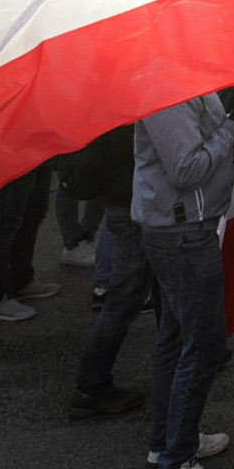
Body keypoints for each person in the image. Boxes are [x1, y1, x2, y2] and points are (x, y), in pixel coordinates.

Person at [134, 88, 234, 469]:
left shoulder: (185, 83)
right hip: (182, 233)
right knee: (203, 345)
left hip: (186, 228)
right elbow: (186, 169)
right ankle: (176, 454)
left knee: (177, 338)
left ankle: (171, 441)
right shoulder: (167, 93)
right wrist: (233, 123)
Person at [68, 120, 147, 420]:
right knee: (123, 301)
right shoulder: (127, 105)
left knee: (159, 291)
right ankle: (91, 385)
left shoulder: (117, 97)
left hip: (127, 201)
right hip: (131, 204)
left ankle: (187, 359)